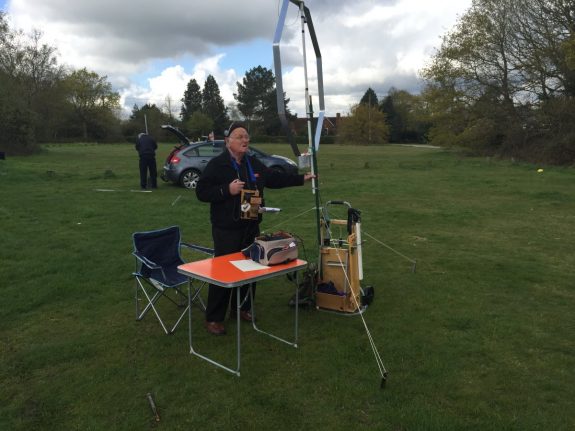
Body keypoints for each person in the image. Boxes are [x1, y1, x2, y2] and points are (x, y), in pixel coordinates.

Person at [196, 122, 315, 335]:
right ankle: (214, 317)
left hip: (251, 225)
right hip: (226, 229)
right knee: (224, 271)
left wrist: (301, 179)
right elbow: (202, 192)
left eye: (247, 137)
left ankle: (241, 308)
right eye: (240, 136)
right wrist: (227, 190)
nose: (245, 140)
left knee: (251, 269)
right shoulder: (217, 165)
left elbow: (273, 178)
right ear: (228, 141)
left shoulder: (252, 163)